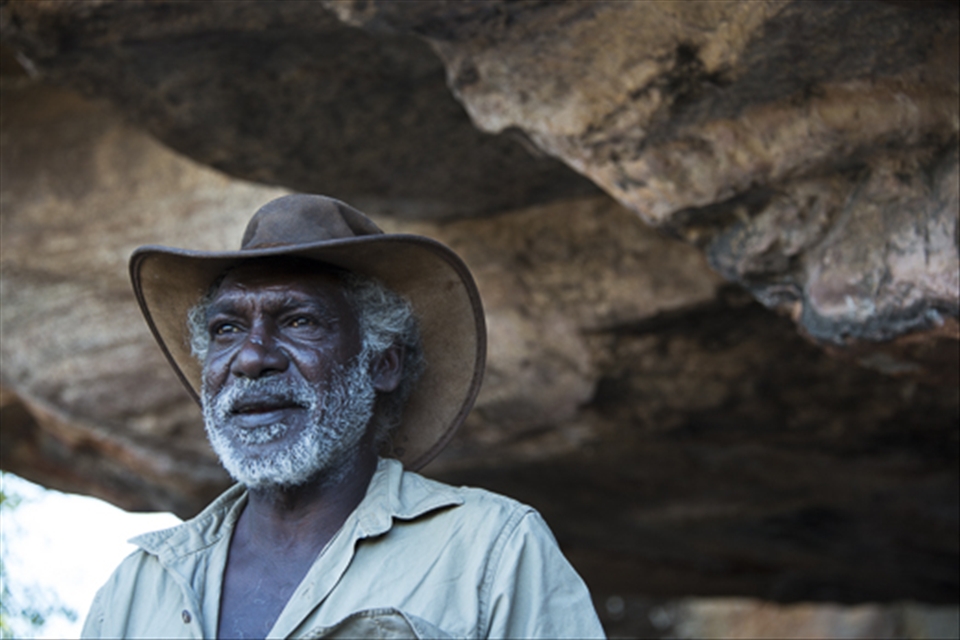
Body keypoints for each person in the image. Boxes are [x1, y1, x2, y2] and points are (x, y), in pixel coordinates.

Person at [81, 195, 605, 639]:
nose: (251, 357)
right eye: (226, 329)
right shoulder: (135, 591)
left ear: (381, 364)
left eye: (299, 320)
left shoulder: (492, 551)